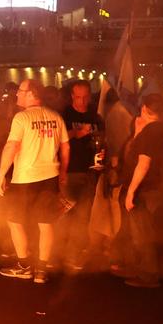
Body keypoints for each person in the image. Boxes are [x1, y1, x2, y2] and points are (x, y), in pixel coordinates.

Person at [0, 78, 69, 283]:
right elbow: (66, 147)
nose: (17, 94)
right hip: (50, 177)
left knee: (14, 220)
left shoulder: (21, 118)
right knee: (45, 223)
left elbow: (11, 147)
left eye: (20, 90)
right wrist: (63, 171)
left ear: (31, 93)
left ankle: (24, 266)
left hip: (25, 178)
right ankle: (42, 271)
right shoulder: (55, 117)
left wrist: (1, 175)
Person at [119, 93, 163, 288]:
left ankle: (148, 275)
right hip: (158, 188)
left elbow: (143, 163)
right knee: (147, 231)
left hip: (146, 189)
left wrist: (131, 191)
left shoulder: (151, 131)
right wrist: (138, 132)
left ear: (145, 109)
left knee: (143, 233)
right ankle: (141, 268)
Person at [60, 81, 104, 269]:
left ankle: (74, 254)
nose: (82, 100)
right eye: (78, 97)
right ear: (72, 96)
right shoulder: (65, 115)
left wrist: (103, 154)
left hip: (90, 171)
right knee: (65, 213)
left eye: (86, 96)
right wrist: (75, 132)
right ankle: (58, 251)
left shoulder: (96, 116)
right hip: (70, 171)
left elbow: (103, 139)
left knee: (83, 214)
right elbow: (57, 138)